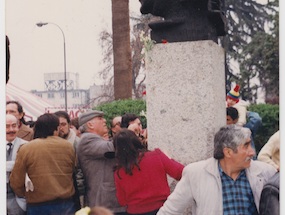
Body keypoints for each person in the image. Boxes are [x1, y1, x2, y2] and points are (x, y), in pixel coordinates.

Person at [157, 125, 277, 215]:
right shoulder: (196, 174)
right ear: (228, 152)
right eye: (246, 146)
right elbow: (168, 212)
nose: (252, 152)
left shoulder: (266, 172)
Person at [10, 113, 76, 215]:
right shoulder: (68, 146)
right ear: (56, 128)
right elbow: (73, 171)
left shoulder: (27, 148)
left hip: (37, 204)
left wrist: (25, 194)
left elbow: (16, 181)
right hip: (65, 203)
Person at [113, 129, 184, 215]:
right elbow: (180, 173)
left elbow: (122, 201)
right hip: (162, 209)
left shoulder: (119, 171)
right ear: (136, 140)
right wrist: (169, 159)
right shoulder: (157, 156)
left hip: (135, 212)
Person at [76, 110, 126, 214]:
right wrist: (128, 133)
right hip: (104, 201)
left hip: (108, 200)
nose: (104, 121)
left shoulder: (94, 139)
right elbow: (111, 148)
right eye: (100, 118)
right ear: (90, 124)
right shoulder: (87, 140)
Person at [54, 111, 84, 209]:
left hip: (75, 193)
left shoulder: (78, 143)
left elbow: (81, 169)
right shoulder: (51, 144)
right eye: (57, 125)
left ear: (69, 125)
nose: (60, 128)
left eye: (63, 124)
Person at [6, 114, 27, 215]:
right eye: (7, 126)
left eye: (14, 126)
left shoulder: (27, 146)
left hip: (19, 201)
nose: (11, 129)